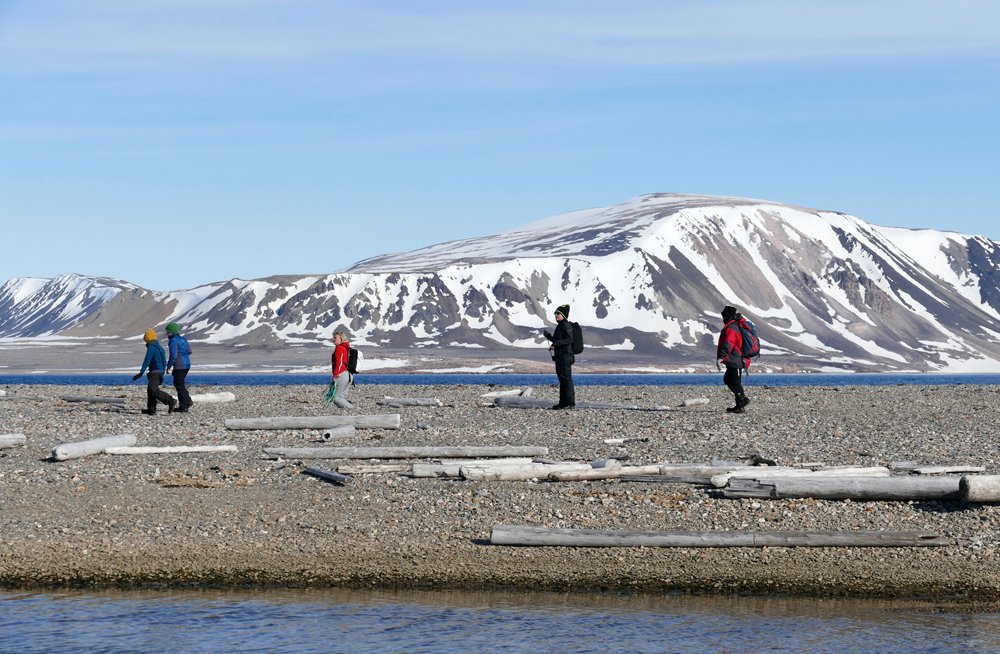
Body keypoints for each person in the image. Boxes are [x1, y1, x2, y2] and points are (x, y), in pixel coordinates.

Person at [132, 328, 176, 415]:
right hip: (159, 372)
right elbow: (164, 361)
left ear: (148, 340)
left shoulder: (151, 348)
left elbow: (147, 360)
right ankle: (151, 409)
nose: (146, 343)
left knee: (153, 390)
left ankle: (170, 400)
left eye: (146, 341)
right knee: (150, 390)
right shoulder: (160, 347)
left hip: (154, 372)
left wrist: (141, 372)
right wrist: (162, 372)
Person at [717, 305, 751, 413]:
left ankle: (741, 402)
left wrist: (721, 357)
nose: (723, 319)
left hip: (736, 360)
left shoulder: (732, 327)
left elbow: (728, 343)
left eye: (724, 316)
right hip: (735, 360)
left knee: (734, 382)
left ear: (727, 316)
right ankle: (740, 404)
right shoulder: (734, 325)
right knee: (729, 380)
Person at [543, 304, 575, 410]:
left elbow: (570, 340)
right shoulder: (559, 326)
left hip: (566, 356)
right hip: (560, 357)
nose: (556, 315)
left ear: (563, 315)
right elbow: (558, 341)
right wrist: (549, 337)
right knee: (562, 379)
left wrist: (555, 344)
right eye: (555, 313)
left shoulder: (566, 325)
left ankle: (570, 403)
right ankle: (562, 403)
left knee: (566, 379)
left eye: (558, 313)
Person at [165, 322, 193, 413]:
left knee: (179, 385)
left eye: (168, 332)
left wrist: (168, 366)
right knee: (180, 384)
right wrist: (183, 355)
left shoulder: (172, 341)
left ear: (172, 332)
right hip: (187, 364)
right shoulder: (183, 339)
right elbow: (189, 351)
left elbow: (173, 355)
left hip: (179, 365)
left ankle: (184, 405)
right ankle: (187, 401)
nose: (166, 334)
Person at [330, 331, 354, 409]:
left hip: (342, 374)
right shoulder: (346, 347)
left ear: (341, 338)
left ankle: (351, 409)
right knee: (341, 396)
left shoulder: (339, 348)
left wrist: (335, 375)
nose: (333, 339)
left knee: (336, 397)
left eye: (335, 337)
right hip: (349, 375)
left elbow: (339, 363)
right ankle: (347, 411)